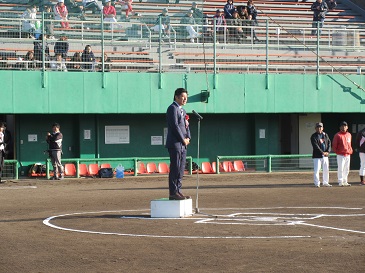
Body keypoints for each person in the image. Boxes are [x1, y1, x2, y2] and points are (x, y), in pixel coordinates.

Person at [165, 88, 191, 200]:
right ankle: (173, 192)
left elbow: (186, 126)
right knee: (175, 167)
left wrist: (188, 137)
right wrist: (182, 139)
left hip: (183, 144)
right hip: (175, 143)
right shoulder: (172, 108)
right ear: (176, 97)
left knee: (181, 168)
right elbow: (175, 126)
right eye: (182, 97)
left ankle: (178, 190)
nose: (185, 99)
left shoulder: (183, 111)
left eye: (186, 97)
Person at [310, 122, 332, 187]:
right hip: (317, 156)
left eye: (320, 127)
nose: (319, 128)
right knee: (317, 170)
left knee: (326, 169)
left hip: (325, 156)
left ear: (322, 128)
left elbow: (329, 143)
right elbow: (315, 146)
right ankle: (317, 183)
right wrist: (322, 152)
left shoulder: (325, 135)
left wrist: (328, 151)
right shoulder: (313, 136)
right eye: (318, 127)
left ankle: (325, 182)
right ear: (315, 128)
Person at [332, 121, 353, 187]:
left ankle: (345, 181)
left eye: (345, 126)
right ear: (340, 127)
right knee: (341, 168)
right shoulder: (337, 135)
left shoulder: (349, 135)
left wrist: (350, 150)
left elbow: (350, 144)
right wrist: (337, 152)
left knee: (346, 169)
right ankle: (340, 181)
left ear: (347, 127)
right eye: (342, 126)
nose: (343, 127)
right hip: (340, 154)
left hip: (348, 154)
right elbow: (334, 145)